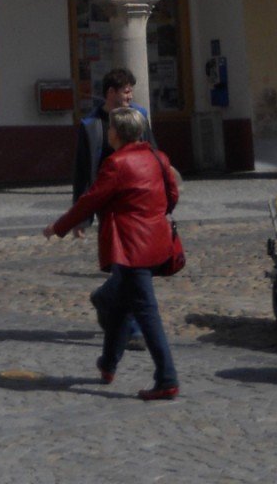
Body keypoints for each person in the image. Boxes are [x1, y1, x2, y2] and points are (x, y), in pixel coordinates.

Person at [44, 106, 180, 400]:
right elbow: (172, 196)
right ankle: (108, 364)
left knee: (146, 311)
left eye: (111, 129)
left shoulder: (116, 164)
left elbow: (89, 201)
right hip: (154, 241)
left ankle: (167, 377)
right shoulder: (159, 157)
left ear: (117, 133)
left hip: (130, 246)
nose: (108, 133)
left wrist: (58, 226)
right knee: (120, 305)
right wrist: (152, 214)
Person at [72, 67, 155, 343]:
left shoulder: (139, 116)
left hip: (137, 202)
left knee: (130, 266)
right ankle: (131, 329)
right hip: (107, 205)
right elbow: (82, 174)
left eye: (132, 90)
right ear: (111, 93)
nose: (130, 96)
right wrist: (80, 217)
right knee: (125, 264)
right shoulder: (91, 125)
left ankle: (106, 298)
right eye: (126, 91)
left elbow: (153, 155)